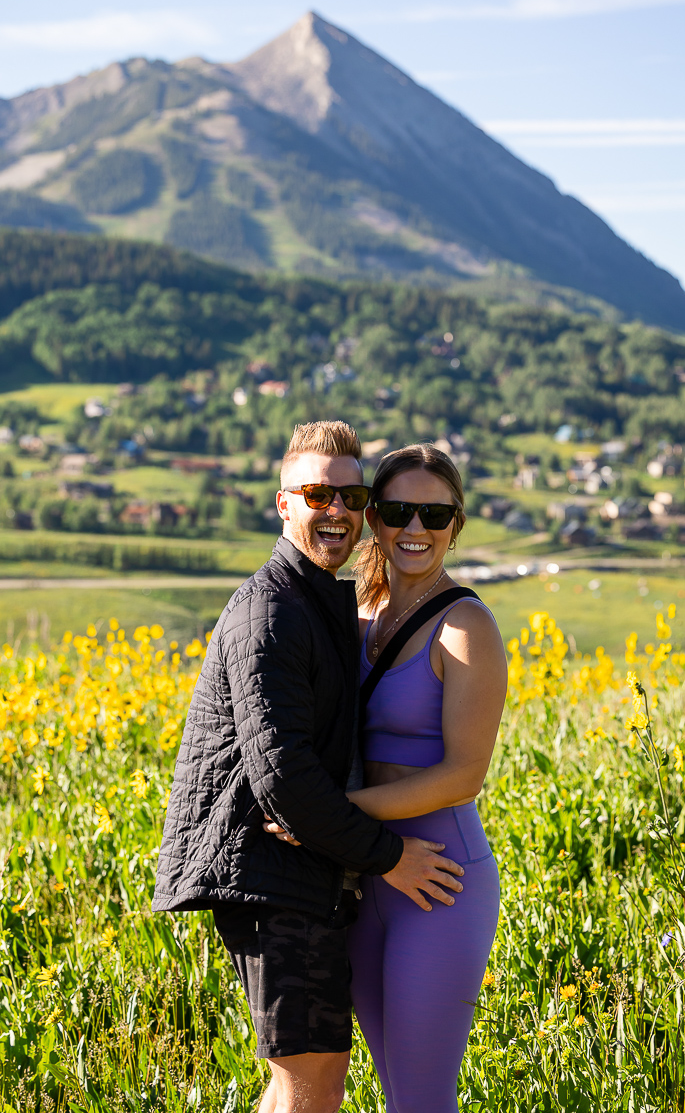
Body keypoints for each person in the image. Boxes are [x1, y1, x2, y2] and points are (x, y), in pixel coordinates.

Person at [152, 423, 465, 1113]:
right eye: (318, 493)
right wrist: (388, 857)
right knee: (314, 1080)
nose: (338, 511)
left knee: (301, 1078)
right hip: (271, 881)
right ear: (284, 502)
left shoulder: (317, 600)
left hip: (293, 874)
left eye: (352, 497)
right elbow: (283, 776)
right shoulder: (273, 610)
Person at [347, 443, 506, 1113]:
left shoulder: (464, 625)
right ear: (374, 521)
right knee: (396, 1093)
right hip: (366, 872)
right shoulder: (354, 618)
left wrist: (335, 812)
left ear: (455, 524)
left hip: (438, 880)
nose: (415, 528)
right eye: (398, 510)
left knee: (421, 1100)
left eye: (433, 513)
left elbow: (463, 776)